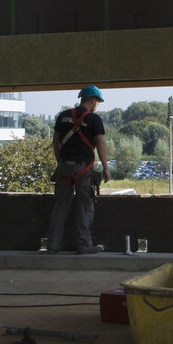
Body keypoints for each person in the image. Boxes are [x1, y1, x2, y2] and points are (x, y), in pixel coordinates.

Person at [43, 85, 111, 254]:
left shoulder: (63, 116)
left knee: (60, 206)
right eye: (98, 102)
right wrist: (106, 168)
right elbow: (100, 144)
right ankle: (84, 245)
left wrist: (60, 161)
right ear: (93, 101)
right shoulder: (94, 119)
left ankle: (52, 245)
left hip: (63, 167)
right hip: (83, 168)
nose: (97, 106)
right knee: (85, 206)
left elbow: (55, 142)